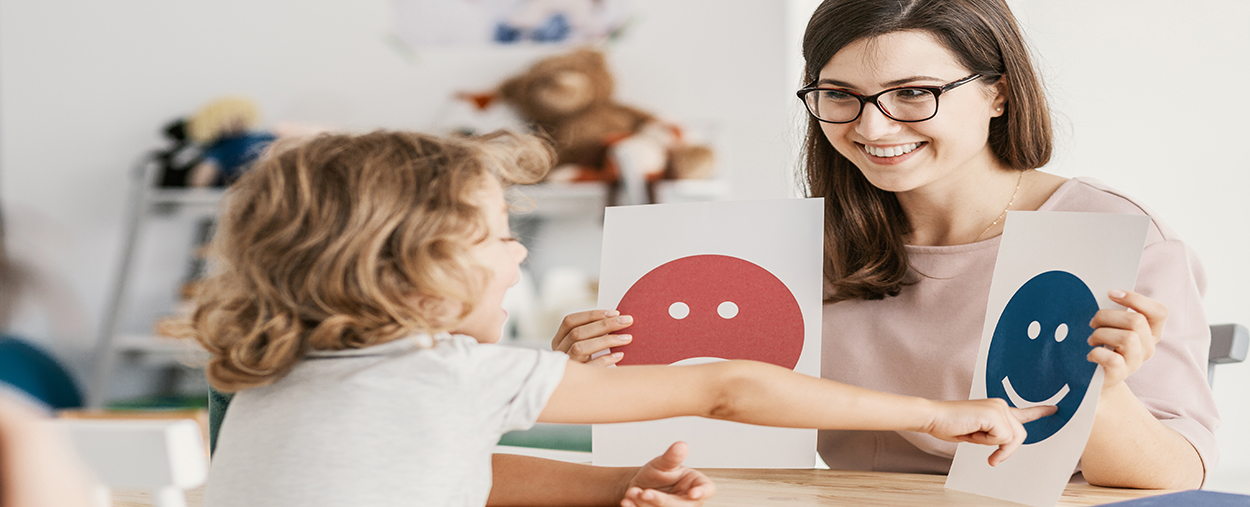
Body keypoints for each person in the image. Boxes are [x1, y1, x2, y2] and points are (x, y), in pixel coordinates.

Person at [178, 129, 1050, 507]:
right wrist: (937, 413)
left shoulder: (277, 375)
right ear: (408, 272)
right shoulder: (451, 371)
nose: (517, 256)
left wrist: (614, 484)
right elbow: (726, 385)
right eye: (499, 236)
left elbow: (452, 471)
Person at [555, 0, 1218, 491]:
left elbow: (1174, 475)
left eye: (912, 93)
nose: (873, 126)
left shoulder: (1105, 234)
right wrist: (602, 374)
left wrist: (1100, 387)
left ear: (998, 93)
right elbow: (728, 415)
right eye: (840, 95)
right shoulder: (796, 248)